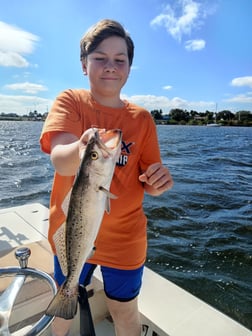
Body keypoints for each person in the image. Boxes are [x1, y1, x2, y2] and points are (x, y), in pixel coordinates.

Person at [40, 19, 173, 336]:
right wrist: (85, 148)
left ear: (129, 67)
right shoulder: (70, 101)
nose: (110, 66)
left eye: (120, 59)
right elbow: (60, 161)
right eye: (100, 57)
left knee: (125, 315)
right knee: (62, 313)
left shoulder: (141, 119)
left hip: (126, 241)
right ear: (84, 65)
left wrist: (157, 183)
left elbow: (148, 178)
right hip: (72, 235)